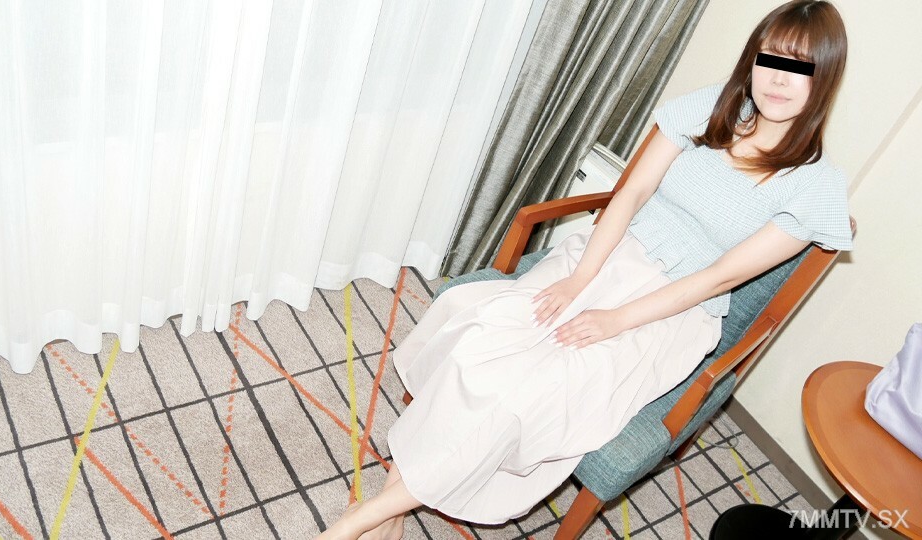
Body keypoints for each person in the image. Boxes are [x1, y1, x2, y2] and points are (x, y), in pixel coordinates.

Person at [316, 1, 853, 538]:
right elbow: (632, 192)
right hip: (608, 255)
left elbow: (718, 279)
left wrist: (616, 319)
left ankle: (364, 518)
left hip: (671, 311)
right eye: (771, 59)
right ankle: (391, 513)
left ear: (824, 78)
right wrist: (579, 279)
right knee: (480, 337)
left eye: (799, 67)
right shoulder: (712, 107)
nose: (779, 79)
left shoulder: (815, 188)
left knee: (524, 397)